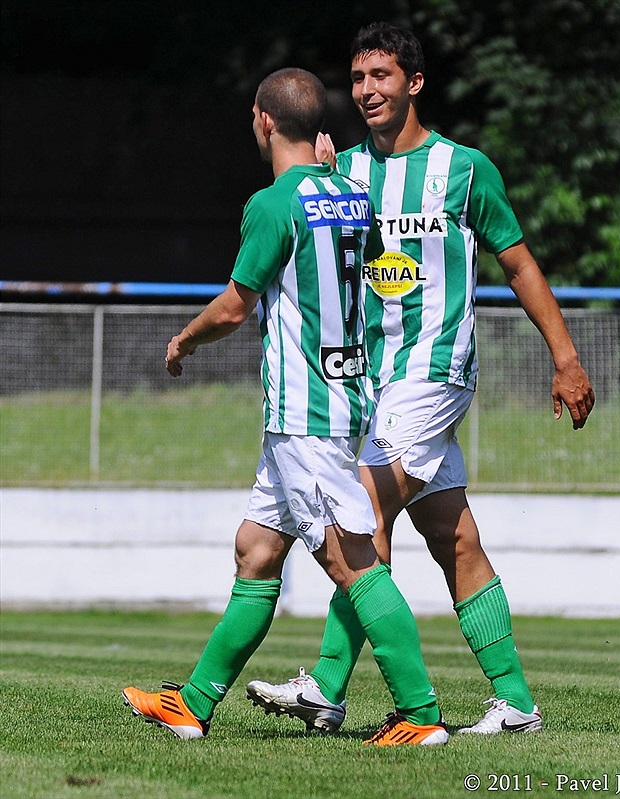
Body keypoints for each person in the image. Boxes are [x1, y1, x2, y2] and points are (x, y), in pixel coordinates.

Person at [246, 24, 595, 735]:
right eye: (358, 78)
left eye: (382, 75)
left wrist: (565, 356)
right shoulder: (342, 173)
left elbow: (519, 264)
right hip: (375, 386)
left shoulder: (465, 169)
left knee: (364, 514)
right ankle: (517, 702)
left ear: (415, 83)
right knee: (452, 536)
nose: (368, 90)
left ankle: (329, 685)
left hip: (435, 372)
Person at [121, 66, 449, 747]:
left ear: (266, 122)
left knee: (350, 560)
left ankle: (420, 713)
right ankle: (194, 702)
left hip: (308, 416)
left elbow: (238, 305)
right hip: (323, 408)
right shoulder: (352, 195)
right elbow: (385, 268)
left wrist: (184, 338)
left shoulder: (272, 204)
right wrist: (334, 180)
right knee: (256, 550)